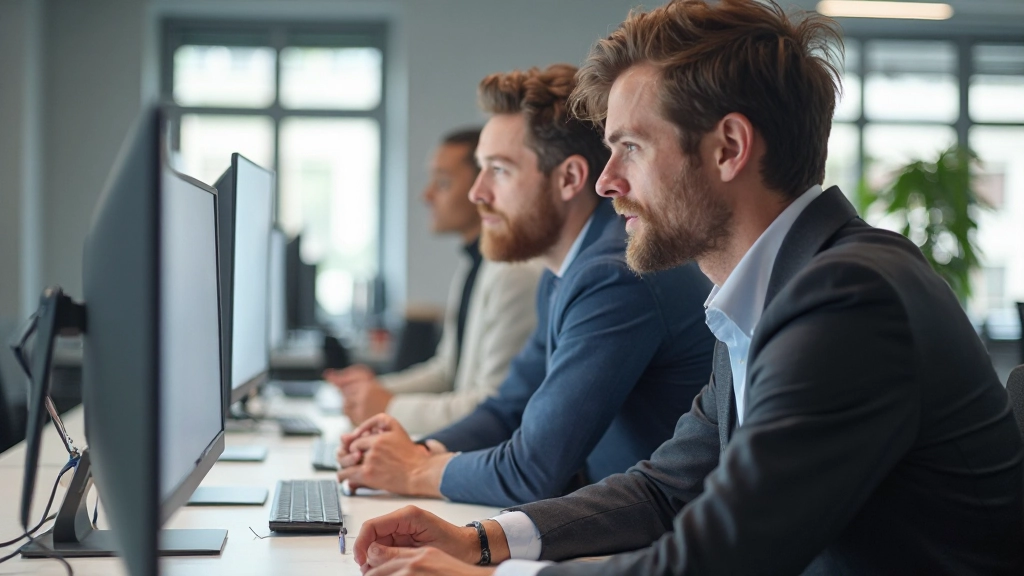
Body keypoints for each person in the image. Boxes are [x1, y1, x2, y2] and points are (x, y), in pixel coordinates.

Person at [350, 1, 1024, 574]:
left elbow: (716, 559)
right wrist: (481, 541)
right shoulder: (771, 294)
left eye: (632, 148)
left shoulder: (849, 299)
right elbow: (664, 490)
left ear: (729, 147)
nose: (608, 181)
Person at [334, 64, 716, 508]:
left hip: (655, 544)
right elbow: (508, 408)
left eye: (499, 170)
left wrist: (414, 470)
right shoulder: (564, 271)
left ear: (569, 179)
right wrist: (416, 451)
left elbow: (532, 471)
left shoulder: (612, 275)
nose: (478, 193)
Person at [324, 129, 543, 435]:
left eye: (442, 182)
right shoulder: (475, 265)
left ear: (487, 186)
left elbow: (494, 406)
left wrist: (388, 406)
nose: (426, 195)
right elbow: (447, 371)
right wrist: (373, 391)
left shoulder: (515, 274)